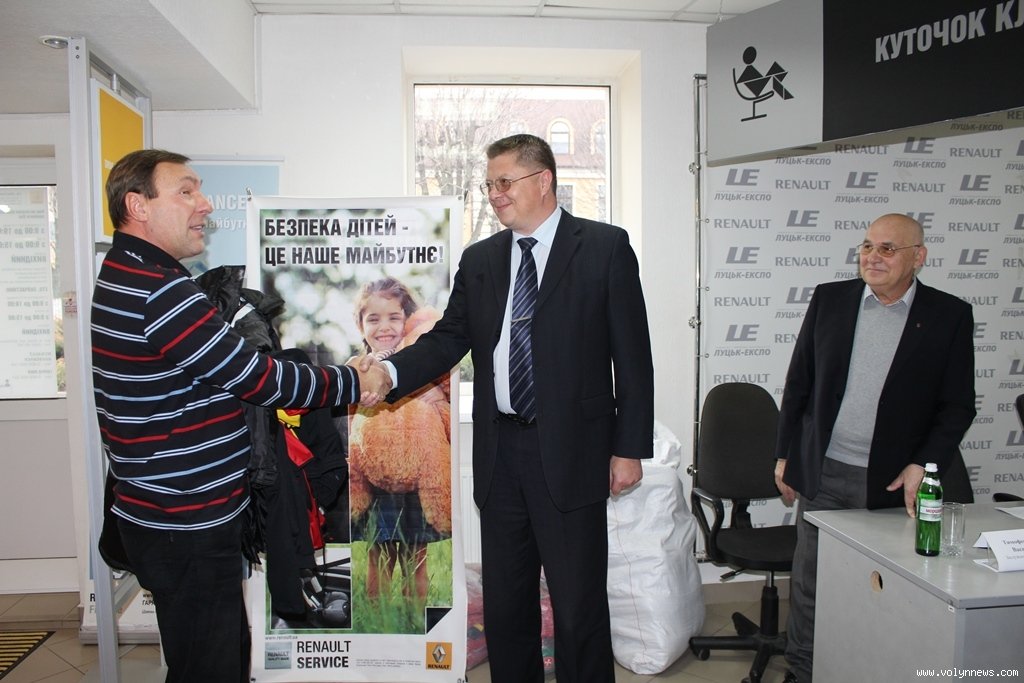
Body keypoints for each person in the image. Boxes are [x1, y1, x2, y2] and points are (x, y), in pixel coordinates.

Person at [361, 133, 654, 683]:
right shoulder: (481, 259)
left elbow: (633, 357)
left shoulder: (604, 247)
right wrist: (390, 370)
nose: (494, 194)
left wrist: (629, 449)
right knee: (507, 604)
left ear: (543, 180)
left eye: (504, 182)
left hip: (574, 451)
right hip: (502, 455)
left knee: (578, 606)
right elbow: (448, 339)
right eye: (489, 184)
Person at [91, 149, 390, 682]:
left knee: (199, 656)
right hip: (185, 524)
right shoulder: (160, 290)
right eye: (186, 191)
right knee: (214, 664)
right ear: (138, 205)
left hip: (163, 514)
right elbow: (259, 379)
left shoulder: (124, 271)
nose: (205, 204)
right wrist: (353, 381)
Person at [773, 213, 976, 683]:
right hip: (824, 472)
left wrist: (922, 464)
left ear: (918, 257)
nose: (873, 257)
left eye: (887, 248)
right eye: (867, 246)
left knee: (884, 590)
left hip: (891, 483)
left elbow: (957, 406)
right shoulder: (830, 299)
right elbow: (799, 383)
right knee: (811, 585)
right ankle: (802, 671)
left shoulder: (948, 315)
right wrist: (785, 454)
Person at [348, 277, 451, 602]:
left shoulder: (422, 364)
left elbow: (446, 410)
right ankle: (377, 616)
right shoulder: (357, 368)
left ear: (407, 319)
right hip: (377, 484)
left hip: (418, 483)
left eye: (394, 317)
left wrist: (438, 397)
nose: (384, 327)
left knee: (415, 558)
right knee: (378, 556)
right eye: (373, 319)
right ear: (361, 325)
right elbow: (350, 425)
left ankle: (414, 618)